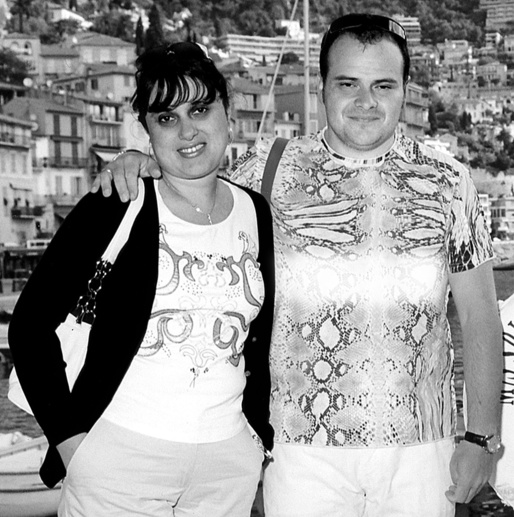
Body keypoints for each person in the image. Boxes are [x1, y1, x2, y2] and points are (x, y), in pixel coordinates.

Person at [93, 14, 504, 517]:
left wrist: (482, 438)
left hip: (421, 449)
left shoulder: (449, 181)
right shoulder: (268, 168)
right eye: (348, 84)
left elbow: (480, 317)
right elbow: (191, 171)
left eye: (383, 85)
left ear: (404, 90)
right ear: (322, 88)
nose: (366, 101)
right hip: (298, 450)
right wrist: (140, 162)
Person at [9, 41, 275, 517]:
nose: (187, 131)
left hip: (226, 467)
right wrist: (72, 445)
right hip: (119, 460)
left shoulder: (255, 211)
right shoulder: (118, 200)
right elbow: (30, 326)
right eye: (166, 118)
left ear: (227, 112)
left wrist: (256, 438)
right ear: (147, 130)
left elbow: (261, 337)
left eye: (200, 109)